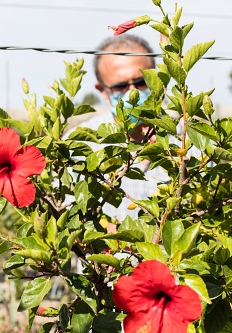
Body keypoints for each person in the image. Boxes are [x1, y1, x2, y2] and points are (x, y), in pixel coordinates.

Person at [64, 34, 162, 224]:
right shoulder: (79, 142)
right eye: (120, 86)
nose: (133, 92)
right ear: (102, 91)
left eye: (142, 82)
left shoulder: (187, 137)